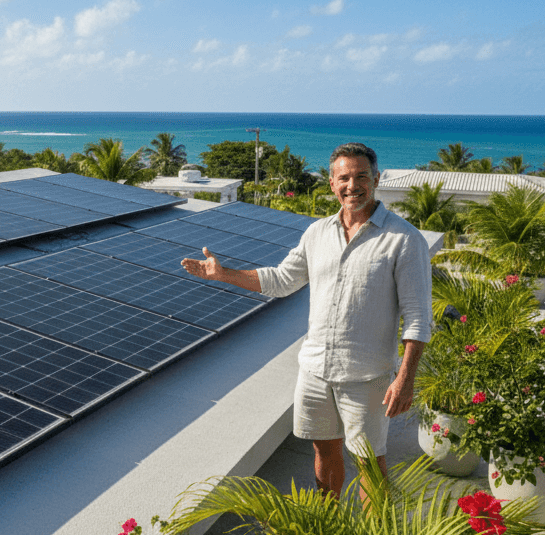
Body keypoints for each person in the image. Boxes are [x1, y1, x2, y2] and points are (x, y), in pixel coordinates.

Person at [181, 142, 432, 502]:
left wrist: (405, 379)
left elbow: (418, 316)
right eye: (344, 178)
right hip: (315, 371)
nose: (352, 185)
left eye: (361, 176)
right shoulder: (317, 234)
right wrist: (223, 274)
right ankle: (327, 524)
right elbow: (282, 280)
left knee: (369, 462)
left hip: (366, 376)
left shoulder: (404, 239)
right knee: (323, 451)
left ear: (376, 179)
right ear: (332, 183)